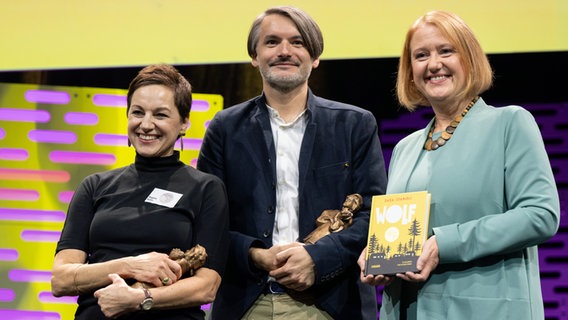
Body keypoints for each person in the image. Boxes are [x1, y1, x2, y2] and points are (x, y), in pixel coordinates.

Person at [358, 10, 560, 320]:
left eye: (446, 51)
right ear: (410, 70)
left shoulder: (509, 123)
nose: (433, 64)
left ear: (469, 58)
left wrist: (444, 244)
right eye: (421, 55)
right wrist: (380, 258)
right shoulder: (404, 148)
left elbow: (540, 215)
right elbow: (399, 233)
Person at [196, 5, 387, 320]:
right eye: (272, 42)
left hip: (330, 304)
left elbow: (375, 214)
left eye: (297, 42)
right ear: (255, 56)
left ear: (314, 57)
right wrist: (254, 254)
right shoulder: (224, 128)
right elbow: (207, 222)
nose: (284, 51)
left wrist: (316, 258)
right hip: (244, 304)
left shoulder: (355, 124)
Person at [51, 64, 230, 320]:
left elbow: (206, 287)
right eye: (137, 112)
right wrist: (131, 266)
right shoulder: (94, 186)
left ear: (184, 122)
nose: (146, 124)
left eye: (160, 115)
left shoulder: (206, 188)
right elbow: (61, 279)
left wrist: (139, 299)